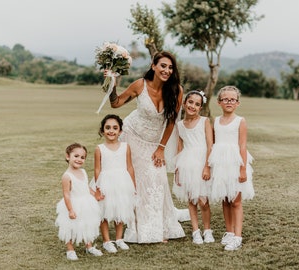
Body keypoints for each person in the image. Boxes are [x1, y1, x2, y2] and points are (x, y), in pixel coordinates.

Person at [106, 51, 186, 243]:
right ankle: (136, 226)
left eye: (170, 67)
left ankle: (159, 227)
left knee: (156, 181)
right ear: (153, 66)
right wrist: (112, 84)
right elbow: (115, 104)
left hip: (153, 143)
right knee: (136, 182)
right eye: (163, 66)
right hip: (131, 135)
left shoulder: (177, 90)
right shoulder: (140, 85)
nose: (167, 70)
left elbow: (171, 122)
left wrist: (161, 148)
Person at [209, 86, 255, 251]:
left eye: (232, 99)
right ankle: (228, 232)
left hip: (235, 164)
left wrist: (242, 169)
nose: (229, 102)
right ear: (219, 102)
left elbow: (242, 146)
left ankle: (237, 236)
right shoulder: (216, 121)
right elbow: (214, 143)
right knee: (225, 199)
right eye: (225, 99)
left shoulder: (240, 121)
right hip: (221, 164)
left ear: (237, 103)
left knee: (235, 200)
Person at [172, 90, 215, 244]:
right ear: (184, 104)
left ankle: (207, 230)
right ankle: (196, 231)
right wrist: (177, 170)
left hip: (202, 162)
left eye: (197, 104)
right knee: (191, 199)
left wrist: (207, 167)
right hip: (186, 164)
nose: (193, 106)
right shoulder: (179, 125)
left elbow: (210, 145)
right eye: (190, 102)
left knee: (204, 200)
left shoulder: (204, 121)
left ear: (200, 108)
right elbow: (179, 148)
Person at [90, 114, 136, 253]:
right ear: (103, 131)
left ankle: (119, 238)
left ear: (120, 131)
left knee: (120, 209)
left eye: (115, 128)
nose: (111, 131)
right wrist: (98, 187)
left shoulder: (125, 147)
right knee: (104, 211)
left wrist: (133, 185)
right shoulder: (99, 148)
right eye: (108, 128)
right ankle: (106, 241)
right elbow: (97, 169)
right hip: (105, 183)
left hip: (122, 182)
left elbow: (129, 166)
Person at [55, 143, 102, 261]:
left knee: (87, 224)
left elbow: (86, 187)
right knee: (70, 227)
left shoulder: (83, 172)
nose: (79, 159)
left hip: (86, 203)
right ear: (67, 156)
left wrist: (95, 194)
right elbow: (66, 194)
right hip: (73, 204)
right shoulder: (67, 176)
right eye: (76, 156)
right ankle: (70, 249)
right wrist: (70, 210)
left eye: (82, 157)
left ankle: (89, 246)